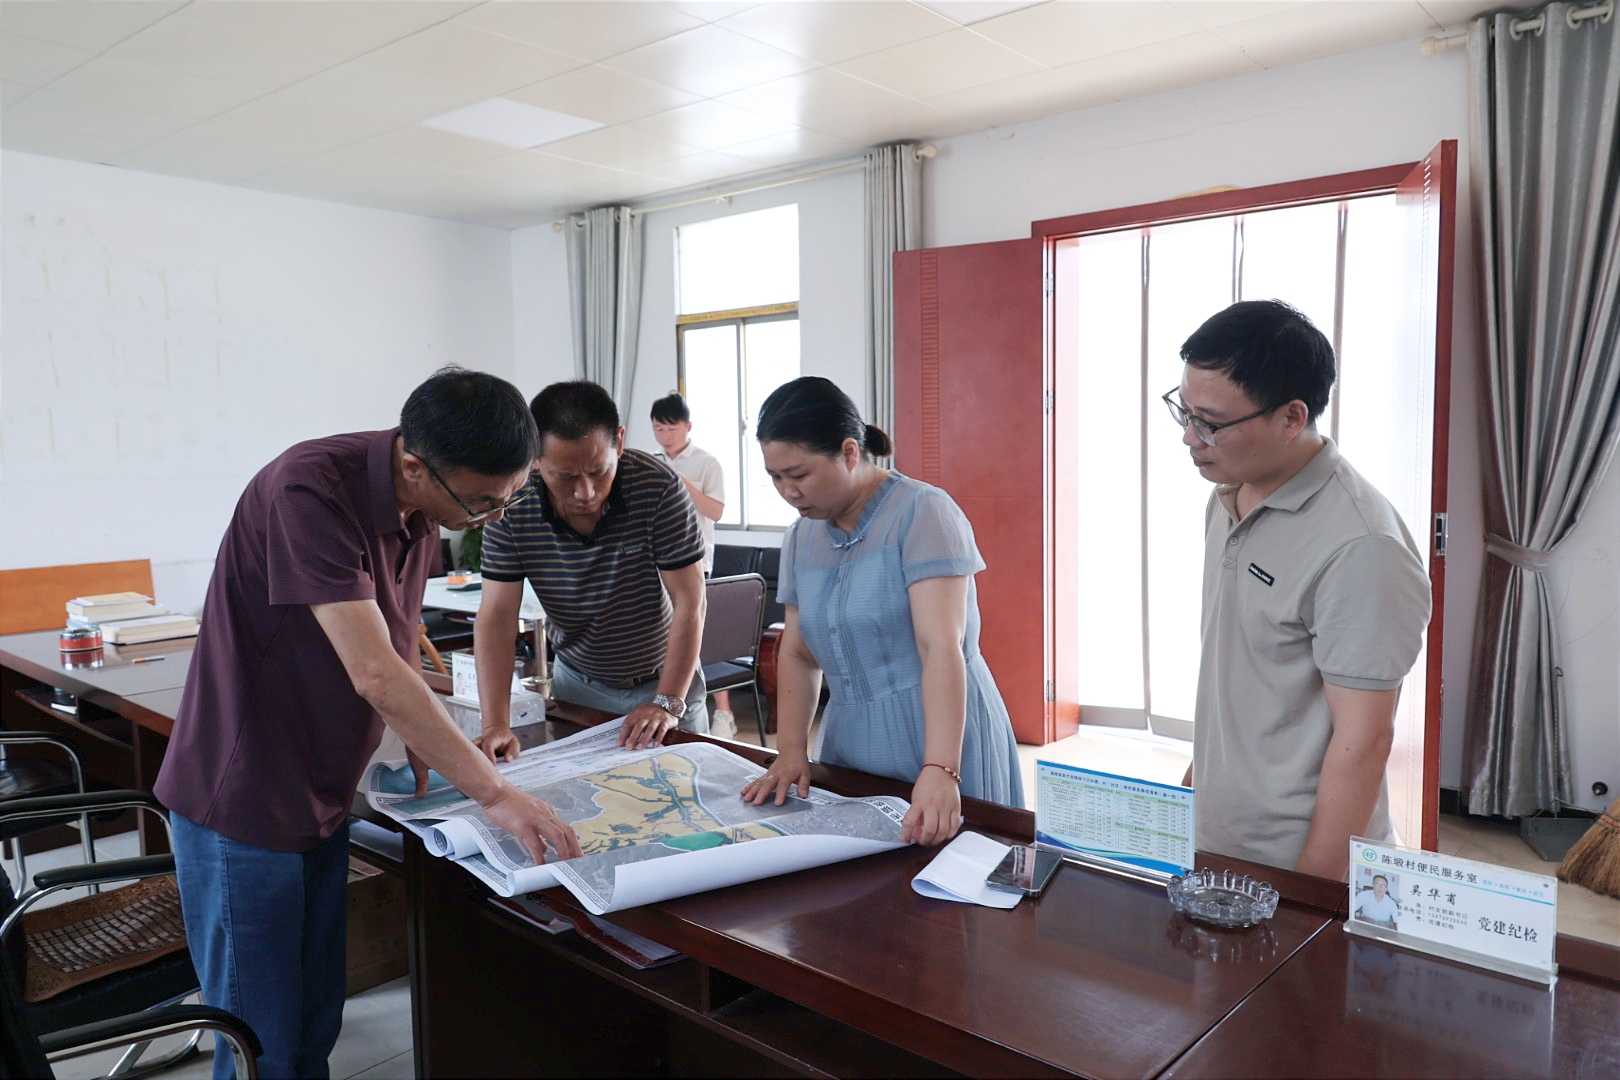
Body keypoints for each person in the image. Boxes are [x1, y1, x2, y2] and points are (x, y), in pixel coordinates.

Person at [154, 367, 583, 1080]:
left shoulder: (422, 505)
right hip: (246, 800)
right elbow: (375, 671)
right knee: (260, 1042)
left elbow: (397, 635)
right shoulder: (308, 491)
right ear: (415, 464)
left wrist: (422, 735)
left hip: (321, 792)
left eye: (506, 500)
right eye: (481, 502)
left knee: (313, 1023)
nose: (489, 518)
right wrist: (496, 794)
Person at [1171, 299, 1431, 881]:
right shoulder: (1229, 494)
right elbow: (1242, 674)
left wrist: (1309, 892)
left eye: (1210, 423)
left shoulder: (1362, 546)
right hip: (1217, 837)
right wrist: (1193, 791)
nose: (1190, 437)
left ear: (1292, 417)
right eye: (1184, 412)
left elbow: (1364, 739)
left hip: (1293, 857)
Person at [740, 376, 1024, 845]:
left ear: (849, 452)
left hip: (939, 733)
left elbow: (940, 647)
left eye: (799, 475)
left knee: (952, 872)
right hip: (851, 741)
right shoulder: (801, 537)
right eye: (775, 477)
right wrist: (791, 751)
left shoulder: (923, 513)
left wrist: (940, 768)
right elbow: (798, 653)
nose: (788, 491)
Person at [475, 380, 709, 753]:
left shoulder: (657, 487)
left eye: (599, 471)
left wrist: (667, 702)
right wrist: (496, 724)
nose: (585, 493)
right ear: (534, 457)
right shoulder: (513, 505)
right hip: (579, 683)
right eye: (565, 477)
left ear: (619, 442)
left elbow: (690, 601)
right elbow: (497, 616)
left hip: (665, 678)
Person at [650, 391, 735, 738]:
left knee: (699, 634)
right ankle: (666, 703)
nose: (665, 436)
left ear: (688, 427)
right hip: (655, 564)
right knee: (663, 635)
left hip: (697, 562)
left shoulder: (706, 463)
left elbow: (716, 511)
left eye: (671, 428)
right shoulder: (651, 461)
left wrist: (679, 484)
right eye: (658, 429)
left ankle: (724, 712)